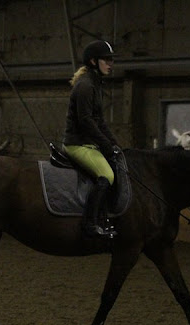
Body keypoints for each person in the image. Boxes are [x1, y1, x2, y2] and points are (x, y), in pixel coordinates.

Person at [63, 40, 121, 238]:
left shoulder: (95, 84)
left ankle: (105, 217)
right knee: (107, 175)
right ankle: (90, 223)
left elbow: (100, 122)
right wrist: (106, 145)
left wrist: (114, 143)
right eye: (106, 60)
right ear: (93, 61)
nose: (111, 64)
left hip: (88, 144)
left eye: (112, 60)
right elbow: (86, 121)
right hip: (77, 144)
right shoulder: (86, 86)